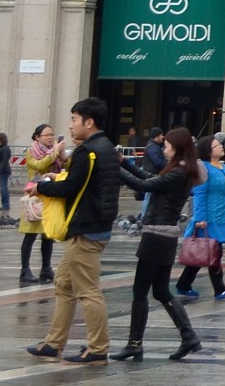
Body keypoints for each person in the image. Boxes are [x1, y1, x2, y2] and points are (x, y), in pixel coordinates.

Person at [28, 101, 122, 363]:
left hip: (86, 229)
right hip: (97, 225)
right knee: (64, 284)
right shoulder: (107, 148)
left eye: (74, 119)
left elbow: (71, 186)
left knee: (88, 291)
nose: (70, 125)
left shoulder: (88, 151)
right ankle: (53, 343)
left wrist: (41, 188)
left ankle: (97, 347)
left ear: (88, 122)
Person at [109, 125, 204, 362]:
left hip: (156, 235)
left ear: (178, 147)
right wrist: (123, 163)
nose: (164, 148)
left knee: (140, 291)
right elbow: (151, 178)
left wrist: (113, 167)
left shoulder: (178, 173)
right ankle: (188, 336)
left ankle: (134, 343)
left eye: (168, 145)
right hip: (166, 235)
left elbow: (142, 185)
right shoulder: (180, 171)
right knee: (161, 291)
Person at [174, 135, 225, 301]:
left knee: (201, 255)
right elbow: (200, 194)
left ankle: (184, 284)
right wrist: (200, 218)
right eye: (217, 146)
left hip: (220, 217)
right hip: (207, 219)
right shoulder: (204, 169)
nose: (221, 147)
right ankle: (219, 288)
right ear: (209, 151)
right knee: (214, 253)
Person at [17, 124, 64, 283]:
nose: (50, 137)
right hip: (34, 197)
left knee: (48, 235)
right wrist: (55, 152)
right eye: (47, 135)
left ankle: (46, 268)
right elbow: (39, 165)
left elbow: (66, 165)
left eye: (52, 134)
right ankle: (25, 270)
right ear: (37, 137)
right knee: (30, 235)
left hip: (50, 196)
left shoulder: (55, 152)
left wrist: (62, 155)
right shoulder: (32, 151)